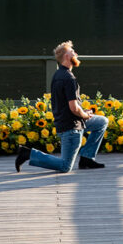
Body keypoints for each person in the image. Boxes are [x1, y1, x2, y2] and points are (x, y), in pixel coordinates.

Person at [15, 40, 108, 173]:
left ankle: (87, 158)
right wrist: (85, 115)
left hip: (71, 121)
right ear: (66, 57)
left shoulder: (58, 74)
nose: (76, 53)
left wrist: (83, 112)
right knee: (65, 166)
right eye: (72, 52)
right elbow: (74, 108)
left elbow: (69, 105)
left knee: (102, 122)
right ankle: (28, 154)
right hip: (71, 128)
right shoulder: (68, 78)